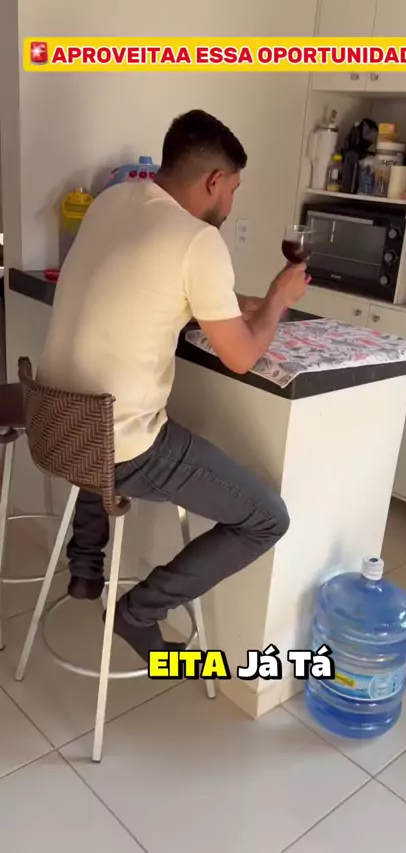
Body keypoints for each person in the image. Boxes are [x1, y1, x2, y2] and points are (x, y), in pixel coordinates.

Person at [37, 109, 309, 662]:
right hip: (123, 449)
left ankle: (86, 567)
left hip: (57, 426)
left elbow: (149, 289)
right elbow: (240, 357)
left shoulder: (112, 200)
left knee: (100, 409)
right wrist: (278, 300)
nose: (230, 207)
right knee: (267, 518)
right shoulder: (197, 241)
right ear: (214, 181)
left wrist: (239, 304)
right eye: (232, 191)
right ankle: (139, 611)